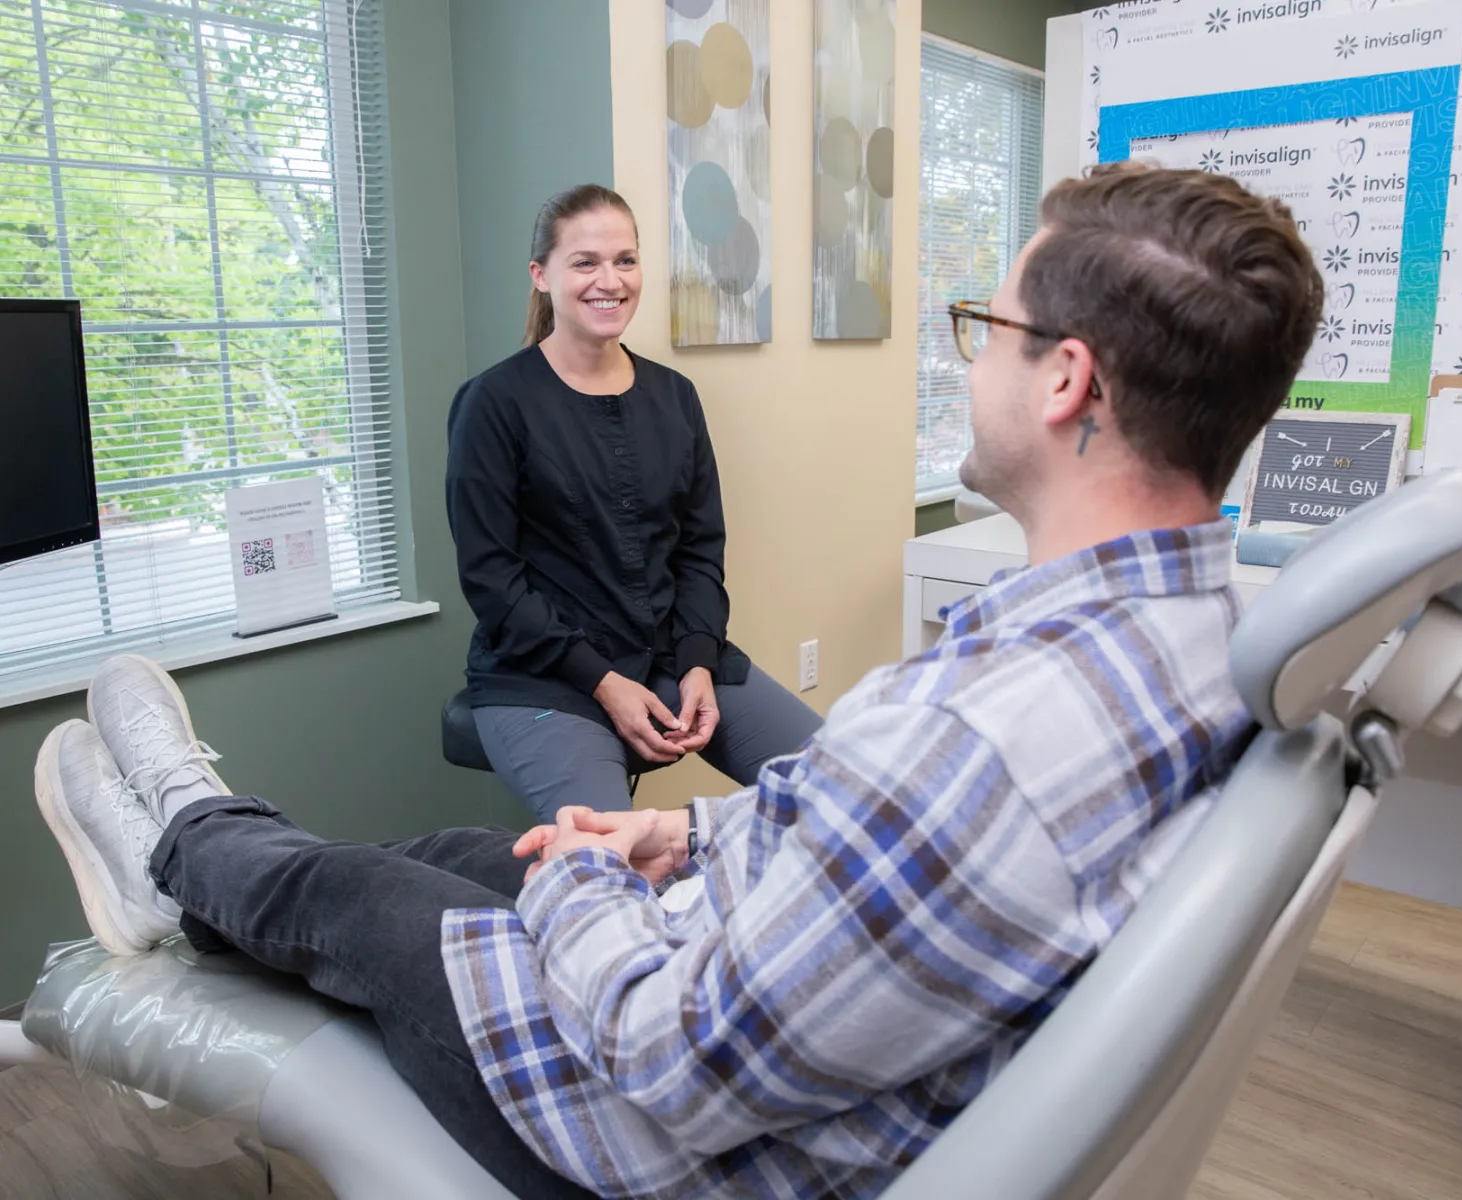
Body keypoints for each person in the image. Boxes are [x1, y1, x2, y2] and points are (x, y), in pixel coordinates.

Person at [35, 162, 1322, 1200]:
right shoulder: (1193, 636)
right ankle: (191, 885)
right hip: (575, 712)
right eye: (583, 259)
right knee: (448, 851)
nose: (963, 359)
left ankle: (181, 820)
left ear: (1066, 380)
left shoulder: (996, 735)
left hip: (636, 1120)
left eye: (984, 328)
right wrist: (678, 827)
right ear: (545, 278)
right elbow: (509, 588)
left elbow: (671, 1052)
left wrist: (586, 873)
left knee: (368, 889)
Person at [446, 184, 821, 823]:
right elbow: (492, 581)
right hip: (547, 677)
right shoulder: (495, 403)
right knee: (610, 861)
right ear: (541, 276)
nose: (609, 280)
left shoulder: (675, 397)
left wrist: (700, 664)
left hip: (672, 659)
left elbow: (701, 552)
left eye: (625, 260)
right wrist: (604, 681)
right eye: (585, 262)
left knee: (846, 788)